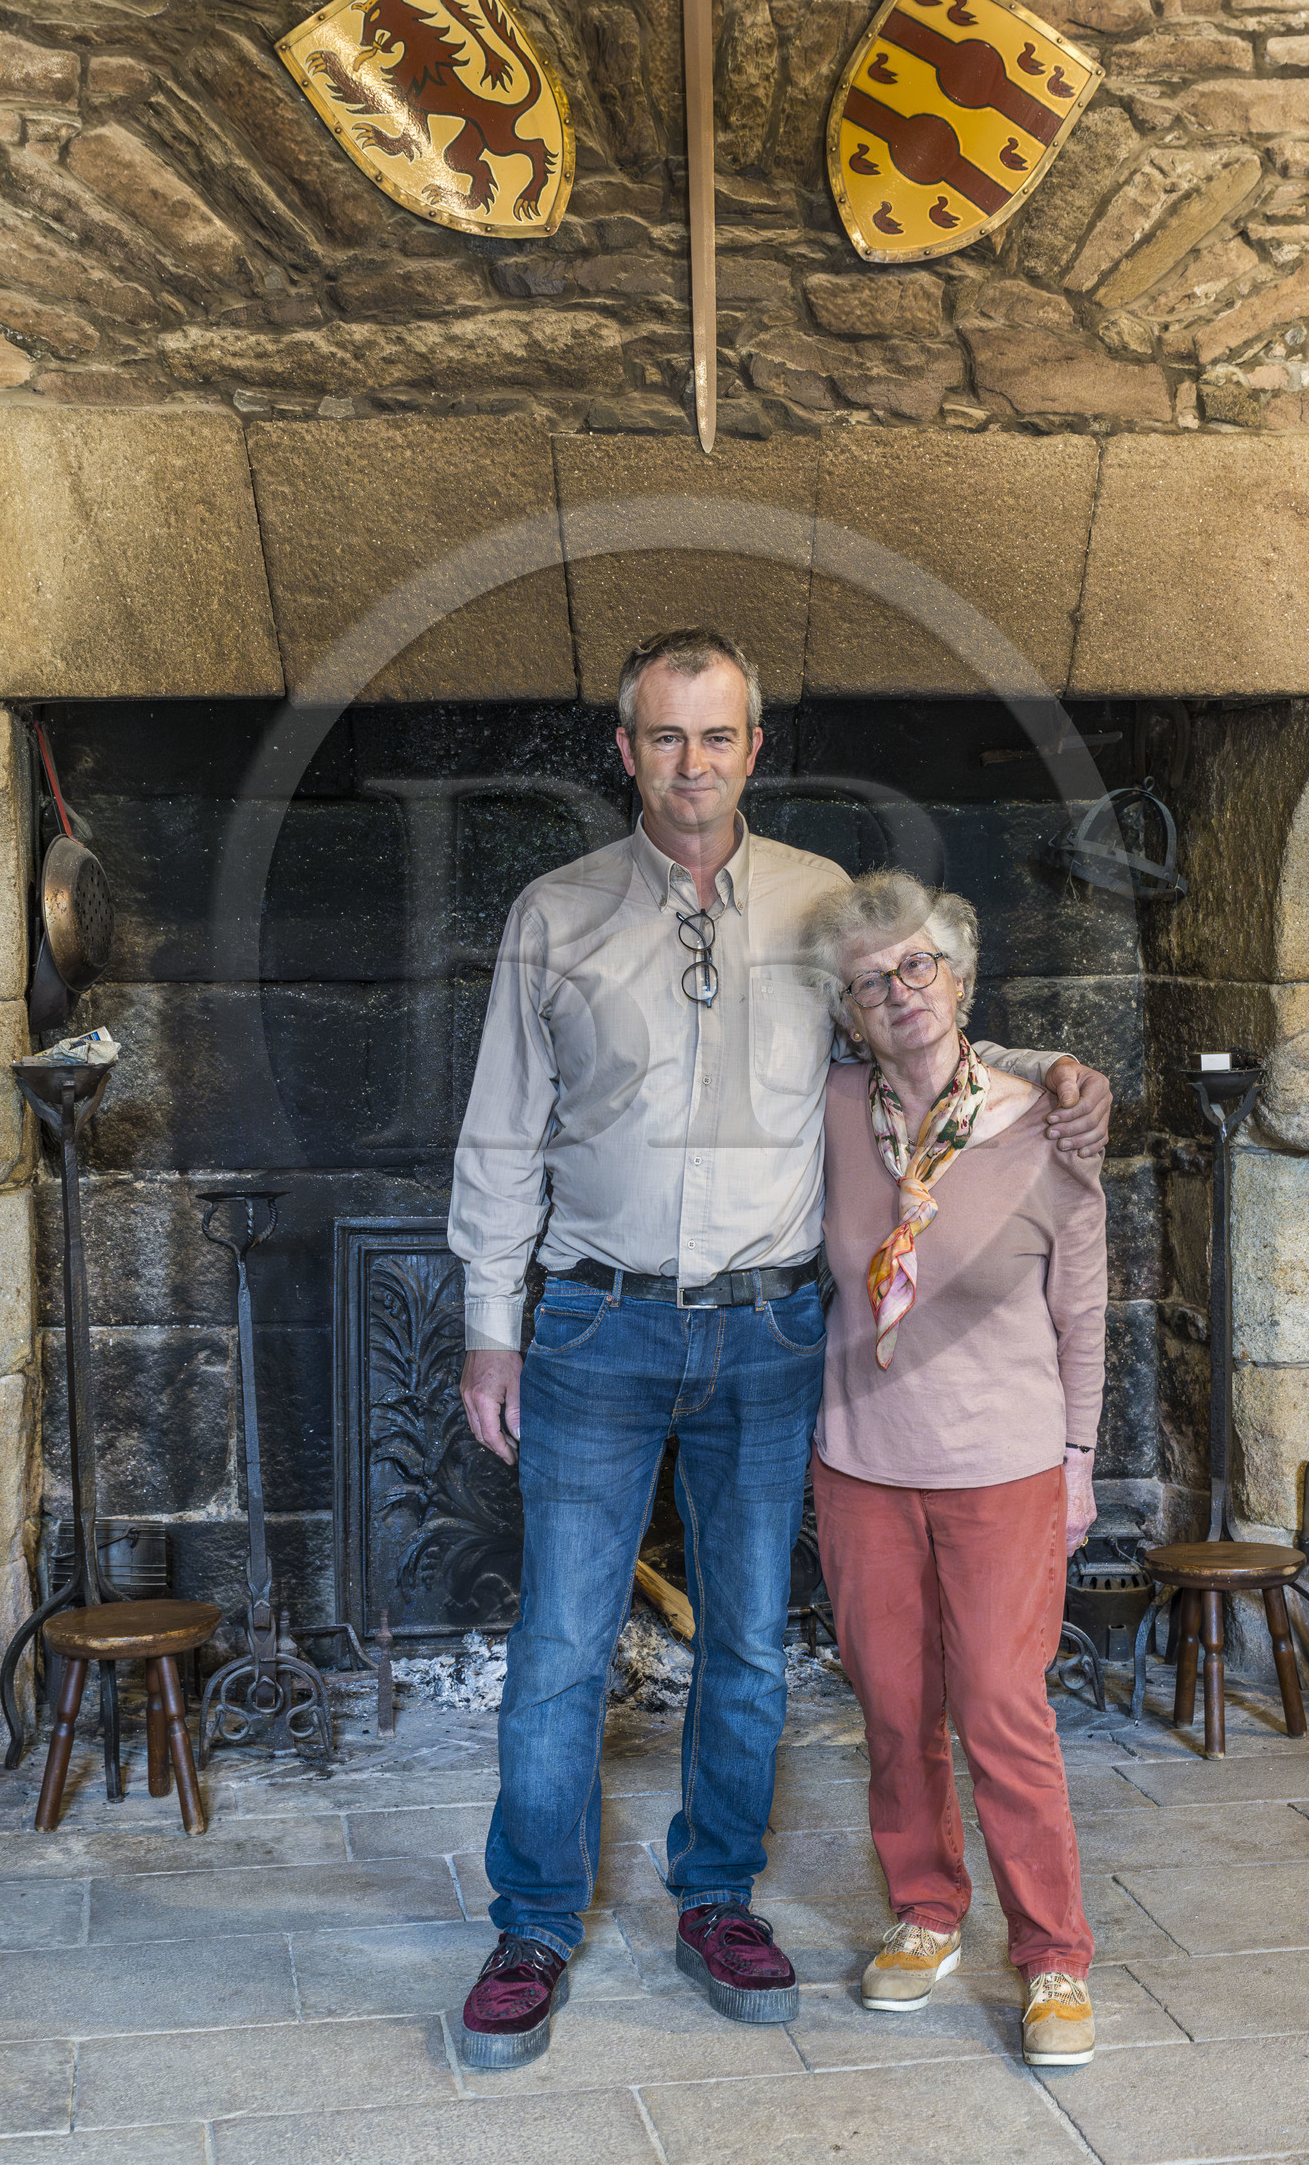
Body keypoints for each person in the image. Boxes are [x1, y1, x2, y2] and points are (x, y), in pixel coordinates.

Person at [448, 625, 1112, 2071]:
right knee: (562, 1644)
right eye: (666, 736)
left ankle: (714, 1900)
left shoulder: (821, 903)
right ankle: (536, 1922)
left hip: (769, 1338)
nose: (694, 763)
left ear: (757, 749)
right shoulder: (552, 913)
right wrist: (490, 1330)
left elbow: (914, 1037)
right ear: (625, 752)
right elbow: (501, 1133)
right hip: (593, 1323)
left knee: (748, 1647)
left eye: (721, 735)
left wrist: (1048, 1074)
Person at [802, 868, 1106, 2068]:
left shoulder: (1050, 1120)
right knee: (890, 1707)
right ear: (846, 1012)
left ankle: (1053, 1956)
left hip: (1007, 1465)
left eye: (917, 966)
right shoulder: (828, 1108)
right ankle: (925, 1911)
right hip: (863, 1462)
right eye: (868, 983)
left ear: (960, 976)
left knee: (1000, 1709)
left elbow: (1083, 1315)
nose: (897, 993)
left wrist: (1078, 1461)